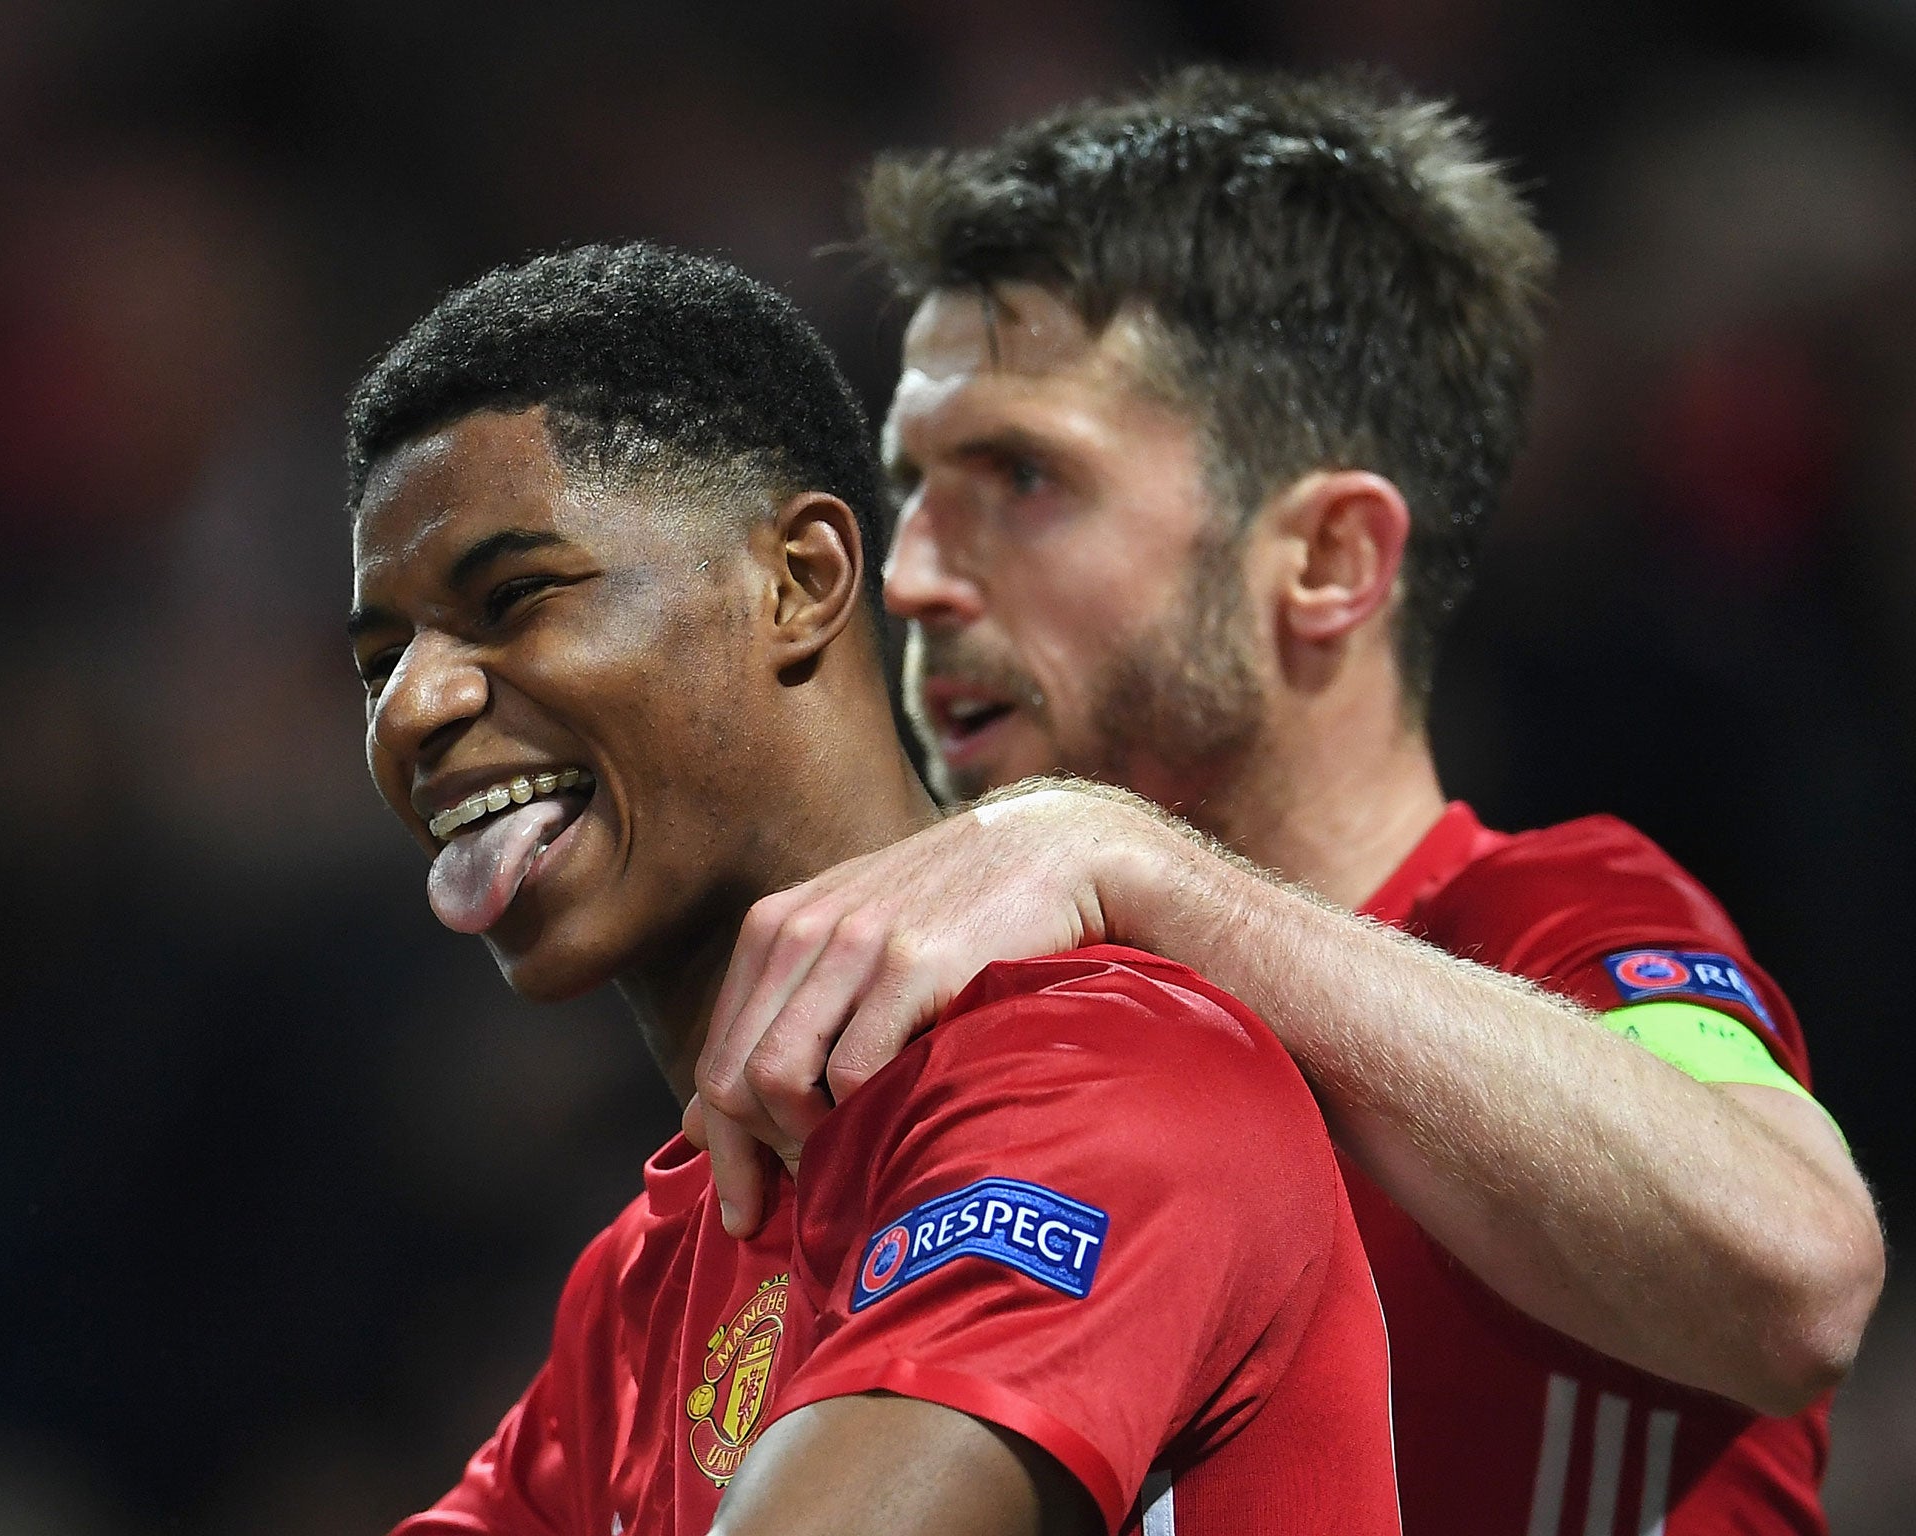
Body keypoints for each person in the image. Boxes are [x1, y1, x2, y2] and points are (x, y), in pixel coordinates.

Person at [688, 67, 1886, 1536]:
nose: (914, 575)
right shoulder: (976, 1050)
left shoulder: (1557, 917)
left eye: (1023, 476)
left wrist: (1135, 859)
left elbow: (1800, 1278)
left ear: (1326, 562)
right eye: (915, 487)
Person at [348, 243, 1401, 1536]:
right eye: (380, 662)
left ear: (800, 582)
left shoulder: (1099, 1075)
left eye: (514, 597)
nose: (414, 709)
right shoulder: (641, 1288)